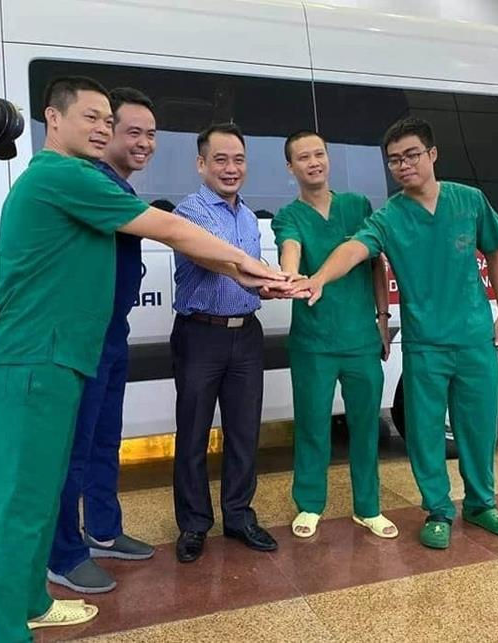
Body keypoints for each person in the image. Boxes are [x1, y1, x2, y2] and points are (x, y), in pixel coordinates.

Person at [0, 76, 286, 642]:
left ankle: (31, 601)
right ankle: (3, 628)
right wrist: (253, 267)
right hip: (35, 362)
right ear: (53, 118)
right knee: (19, 504)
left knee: (40, 496)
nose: (104, 129)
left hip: (59, 360)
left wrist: (245, 273)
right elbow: (169, 227)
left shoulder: (72, 178)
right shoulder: (63, 175)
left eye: (108, 120)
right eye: (92, 118)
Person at [294, 117, 498, 549]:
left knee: (478, 426)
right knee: (425, 430)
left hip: (474, 337)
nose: (403, 165)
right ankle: (438, 510)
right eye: (394, 160)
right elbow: (354, 249)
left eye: (411, 155)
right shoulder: (390, 217)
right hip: (426, 343)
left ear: (432, 154)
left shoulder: (469, 200)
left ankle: (481, 504)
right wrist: (319, 277)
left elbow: (495, 251)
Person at [46, 87, 159, 595]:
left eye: (150, 134)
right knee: (74, 447)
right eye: (131, 131)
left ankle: (104, 531)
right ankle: (64, 554)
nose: (143, 143)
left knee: (105, 440)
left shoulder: (118, 188)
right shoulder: (88, 182)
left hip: (114, 333)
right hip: (84, 337)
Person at [272, 130, 398, 539]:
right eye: (303, 157)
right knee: (312, 425)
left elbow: (375, 263)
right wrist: (291, 276)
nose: (314, 163)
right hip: (313, 342)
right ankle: (310, 504)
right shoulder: (288, 216)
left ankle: (369, 507)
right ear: (290, 167)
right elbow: (290, 248)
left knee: (366, 426)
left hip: (361, 339)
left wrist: (383, 318)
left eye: (319, 154)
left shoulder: (357, 206)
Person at [171, 123, 285, 563]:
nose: (230, 168)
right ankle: (194, 524)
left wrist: (276, 285)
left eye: (238, 159)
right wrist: (261, 275)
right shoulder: (191, 212)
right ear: (201, 164)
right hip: (201, 334)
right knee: (193, 434)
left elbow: (249, 277)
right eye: (220, 159)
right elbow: (220, 260)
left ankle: (238, 516)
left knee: (243, 432)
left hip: (246, 335)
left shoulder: (249, 217)